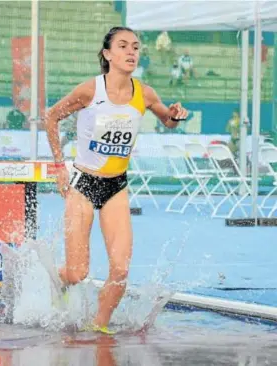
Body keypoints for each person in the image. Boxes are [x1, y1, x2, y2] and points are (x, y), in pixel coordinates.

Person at [45, 26, 188, 334]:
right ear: (107, 54)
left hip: (116, 186)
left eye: (135, 47)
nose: (131, 52)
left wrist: (175, 115)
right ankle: (58, 280)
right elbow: (50, 116)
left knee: (121, 269)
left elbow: (168, 120)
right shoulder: (89, 91)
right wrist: (59, 166)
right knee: (77, 273)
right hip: (82, 184)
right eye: (123, 46)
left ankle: (99, 327)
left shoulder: (145, 93)